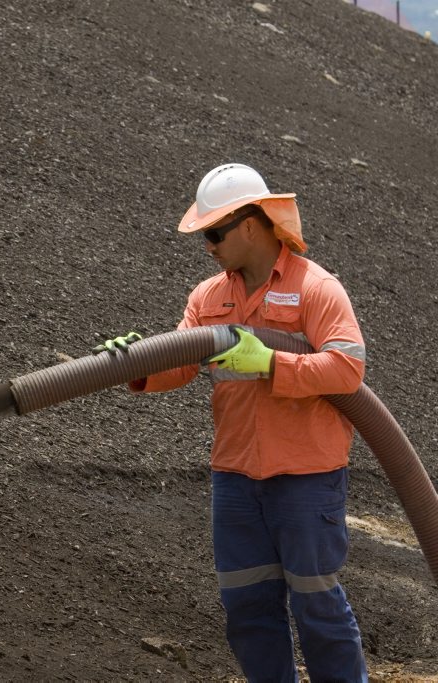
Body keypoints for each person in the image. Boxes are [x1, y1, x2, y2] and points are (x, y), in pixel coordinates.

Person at [96, 163, 368, 681]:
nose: (208, 246)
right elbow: (179, 363)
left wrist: (268, 362)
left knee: (318, 610)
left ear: (249, 223)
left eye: (215, 232)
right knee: (248, 611)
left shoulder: (317, 289)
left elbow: (348, 370)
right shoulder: (208, 297)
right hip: (236, 479)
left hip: (306, 478)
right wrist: (134, 362)